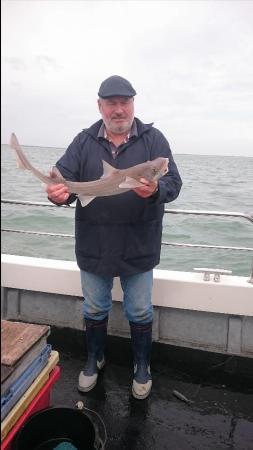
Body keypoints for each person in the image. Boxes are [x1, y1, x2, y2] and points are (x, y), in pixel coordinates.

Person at [46, 75, 182, 400]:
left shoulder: (154, 140)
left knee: (139, 310)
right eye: (111, 103)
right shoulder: (83, 141)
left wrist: (156, 190)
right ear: (100, 106)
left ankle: (141, 365)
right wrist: (58, 194)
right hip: (94, 243)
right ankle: (94, 359)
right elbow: (63, 182)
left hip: (139, 243)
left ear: (133, 103)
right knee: (94, 307)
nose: (118, 109)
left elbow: (174, 183)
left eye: (125, 102)